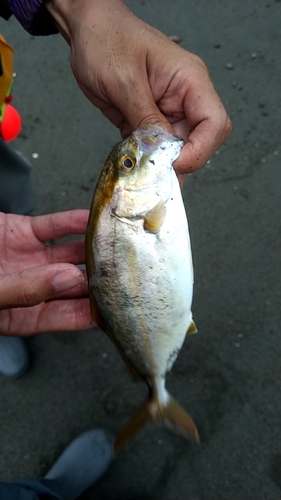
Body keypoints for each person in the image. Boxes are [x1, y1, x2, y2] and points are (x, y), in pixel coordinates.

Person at [0, 0, 232, 495]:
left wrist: (81, 9)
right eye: (130, 167)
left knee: (8, 195)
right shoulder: (147, 210)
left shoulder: (145, 208)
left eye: (127, 166)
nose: (137, 157)